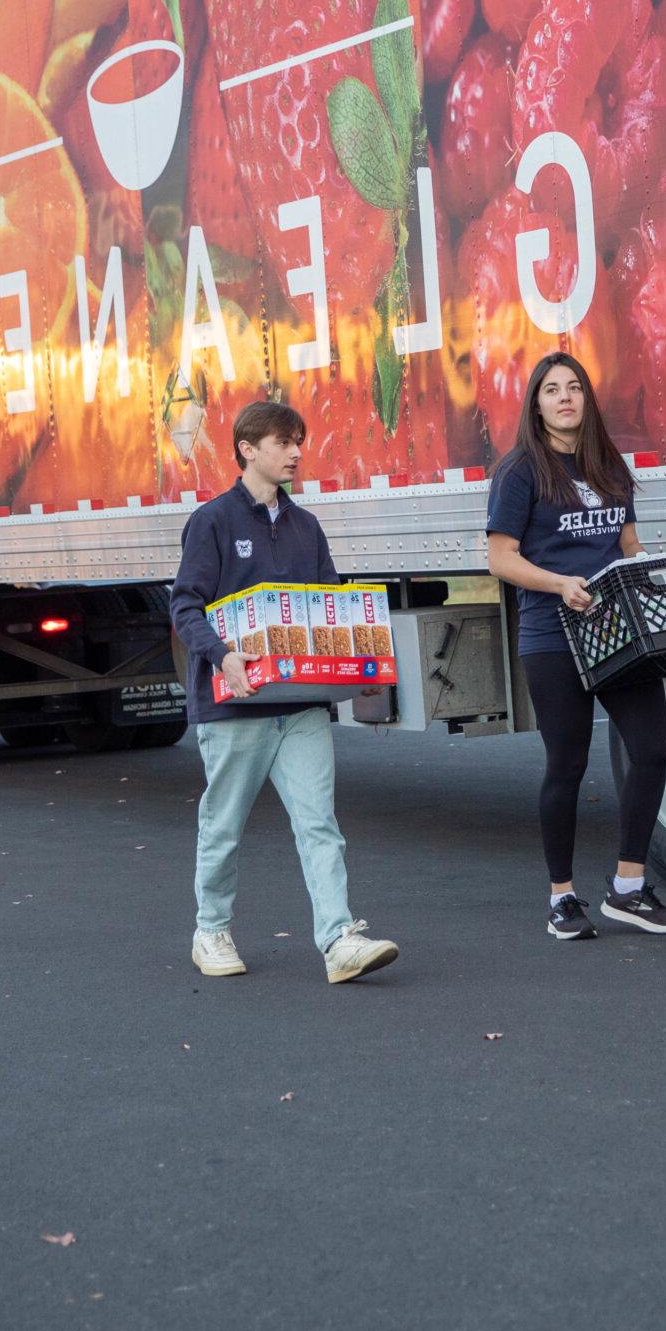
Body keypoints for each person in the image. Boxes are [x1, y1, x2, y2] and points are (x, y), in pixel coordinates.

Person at [169, 399, 399, 984]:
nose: (297, 452)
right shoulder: (213, 521)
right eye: (283, 442)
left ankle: (338, 939)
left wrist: (358, 661)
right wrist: (224, 656)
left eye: (299, 441)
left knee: (319, 823)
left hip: (299, 706)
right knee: (222, 825)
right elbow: (184, 606)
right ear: (248, 448)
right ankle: (210, 930)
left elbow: (330, 608)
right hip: (232, 705)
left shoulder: (306, 526)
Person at [485, 352, 666, 940]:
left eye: (574, 387)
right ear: (537, 403)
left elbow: (626, 542)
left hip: (617, 633)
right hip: (553, 634)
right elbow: (500, 558)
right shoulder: (520, 471)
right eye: (552, 390)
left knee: (650, 750)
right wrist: (558, 585)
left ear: (586, 399)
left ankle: (628, 888)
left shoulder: (607, 464)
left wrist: (648, 570)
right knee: (567, 766)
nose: (565, 398)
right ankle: (561, 897)